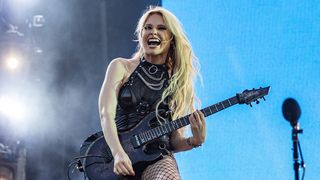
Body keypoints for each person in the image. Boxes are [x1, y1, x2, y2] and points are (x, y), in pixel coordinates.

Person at [99, 6, 206, 180]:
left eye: (161, 28)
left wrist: (195, 140)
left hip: (156, 158)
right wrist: (117, 152)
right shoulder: (121, 67)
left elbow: (173, 140)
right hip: (117, 156)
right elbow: (105, 113)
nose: (153, 32)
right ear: (141, 35)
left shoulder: (176, 81)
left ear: (171, 38)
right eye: (148, 28)